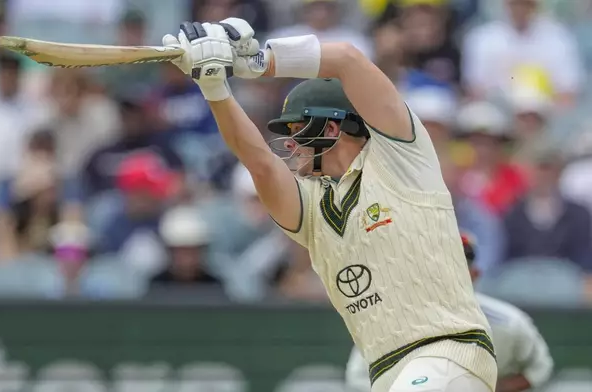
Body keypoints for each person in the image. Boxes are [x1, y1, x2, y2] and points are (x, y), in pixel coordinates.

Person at [161, 18, 496, 391]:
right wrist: (214, 87)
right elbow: (259, 162)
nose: (289, 144)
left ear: (332, 128)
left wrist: (257, 63)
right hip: (386, 371)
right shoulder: (312, 206)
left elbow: (349, 60)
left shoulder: (400, 158)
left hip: (448, 349)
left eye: (296, 131)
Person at [346, 234, 554, 392]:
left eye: (458, 266)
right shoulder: (390, 321)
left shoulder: (509, 322)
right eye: (442, 265)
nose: (449, 274)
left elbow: (540, 367)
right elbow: (357, 377)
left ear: (474, 274)